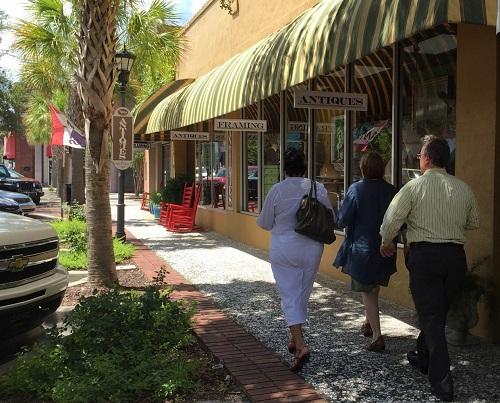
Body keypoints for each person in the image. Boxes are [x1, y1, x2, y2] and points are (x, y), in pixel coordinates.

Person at [380, 135, 480, 402]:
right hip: (455, 258)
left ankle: (443, 381)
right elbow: (474, 222)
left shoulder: (414, 187)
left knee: (432, 318)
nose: (418, 159)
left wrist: (386, 242)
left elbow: (391, 219)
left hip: (425, 256)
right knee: (437, 313)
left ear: (426, 159)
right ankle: (424, 357)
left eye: (420, 155)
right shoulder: (463, 188)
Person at [257, 148, 333, 372]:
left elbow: (264, 223)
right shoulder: (317, 188)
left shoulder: (277, 191)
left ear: (285, 168)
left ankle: (301, 346)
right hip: (312, 247)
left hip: (284, 248)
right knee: (302, 292)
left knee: (289, 295)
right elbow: (331, 216)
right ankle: (294, 337)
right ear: (305, 167)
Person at [333, 151, 397, 352]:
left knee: (368, 292)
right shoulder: (392, 191)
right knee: (373, 287)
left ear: (363, 169)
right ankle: (368, 322)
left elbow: (343, 219)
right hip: (385, 248)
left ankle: (378, 336)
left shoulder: (356, 189)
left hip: (362, 249)